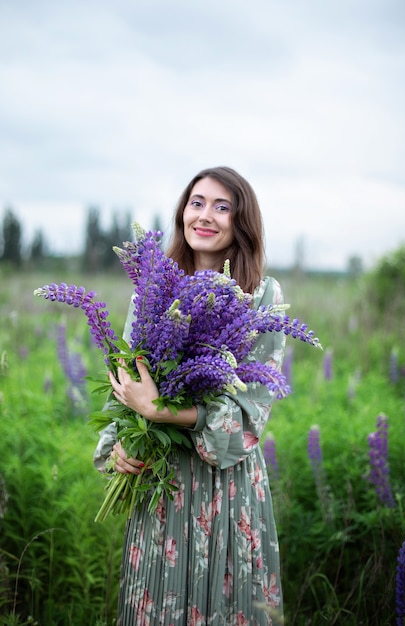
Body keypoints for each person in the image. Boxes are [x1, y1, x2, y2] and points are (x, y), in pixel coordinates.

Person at [93, 166, 286, 625]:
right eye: (197, 202)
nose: (205, 216)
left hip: (226, 486)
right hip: (161, 478)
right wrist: (121, 443)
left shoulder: (261, 297)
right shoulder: (152, 288)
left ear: (242, 221)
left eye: (223, 207)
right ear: (182, 212)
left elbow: (250, 415)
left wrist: (161, 410)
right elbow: (128, 381)